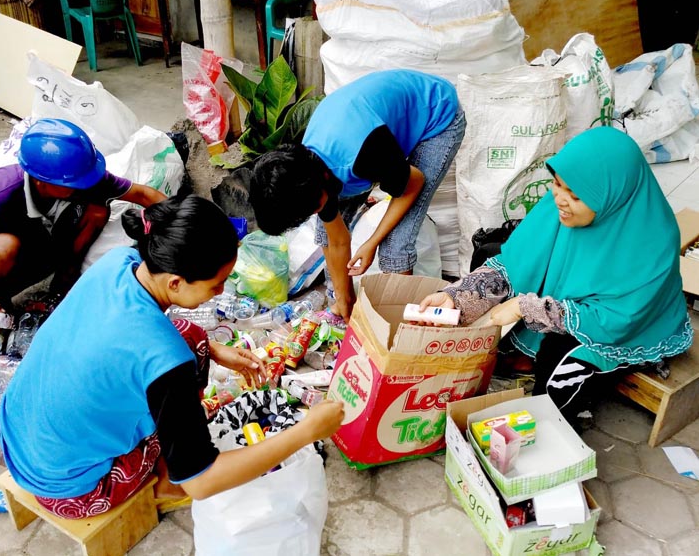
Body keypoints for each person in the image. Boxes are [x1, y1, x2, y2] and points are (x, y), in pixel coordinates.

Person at [0, 195, 344, 518]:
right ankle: (166, 479)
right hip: (68, 489)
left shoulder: (120, 261)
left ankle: (176, 442)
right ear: (176, 283)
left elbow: (138, 338)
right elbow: (202, 482)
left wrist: (216, 350)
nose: (222, 292)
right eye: (216, 284)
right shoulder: (167, 360)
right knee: (184, 374)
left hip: (19, 433)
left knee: (193, 336)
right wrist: (307, 430)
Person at [419, 127, 693, 427]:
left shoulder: (651, 242)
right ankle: (524, 355)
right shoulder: (558, 210)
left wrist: (525, 308)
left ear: (612, 198)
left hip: (623, 329)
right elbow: (512, 266)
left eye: (575, 196)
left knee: (561, 358)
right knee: (490, 255)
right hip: (570, 304)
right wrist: (455, 296)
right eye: (557, 184)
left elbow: (616, 321)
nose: (560, 199)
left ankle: (554, 424)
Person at [249, 69, 465, 321]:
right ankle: (343, 306)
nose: (316, 211)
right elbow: (337, 240)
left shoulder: (363, 155)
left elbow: (414, 182)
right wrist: (345, 301)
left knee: (395, 246)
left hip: (435, 115)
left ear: (322, 183)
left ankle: (399, 326)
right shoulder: (304, 169)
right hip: (375, 130)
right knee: (324, 234)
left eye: (312, 207)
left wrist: (371, 243)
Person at [0, 118, 167, 332]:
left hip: (44, 253)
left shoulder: (83, 179)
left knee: (97, 209)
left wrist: (184, 221)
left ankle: (61, 287)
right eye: (76, 183)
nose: (85, 186)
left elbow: (144, 195)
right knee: (2, 246)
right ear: (40, 182)